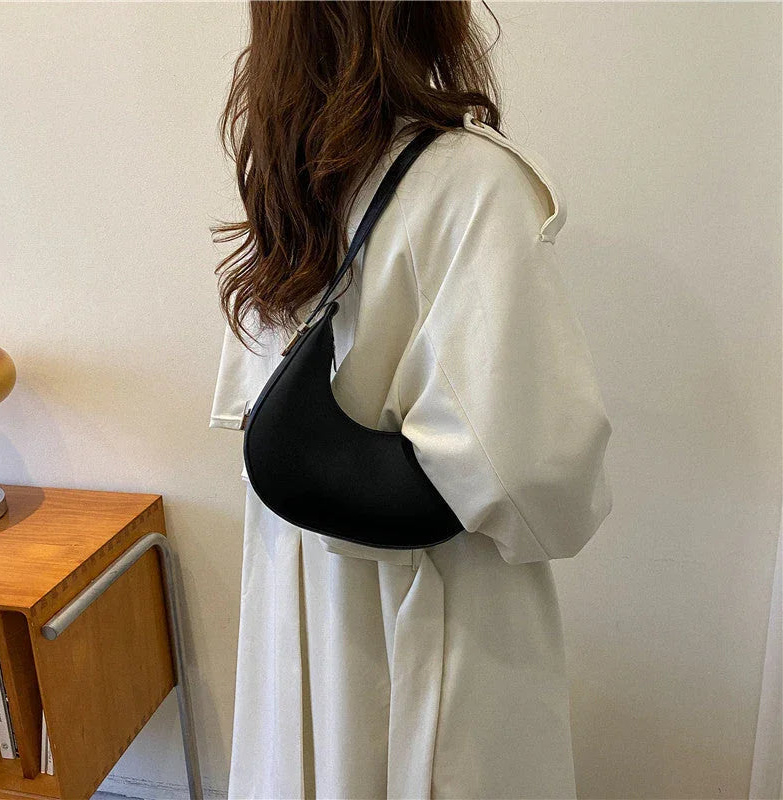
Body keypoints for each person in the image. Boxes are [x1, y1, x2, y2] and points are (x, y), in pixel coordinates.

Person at [209, 2, 613, 798]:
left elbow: (255, 402)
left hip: (304, 593)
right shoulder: (472, 182)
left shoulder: (289, 174)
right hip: (429, 606)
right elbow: (538, 477)